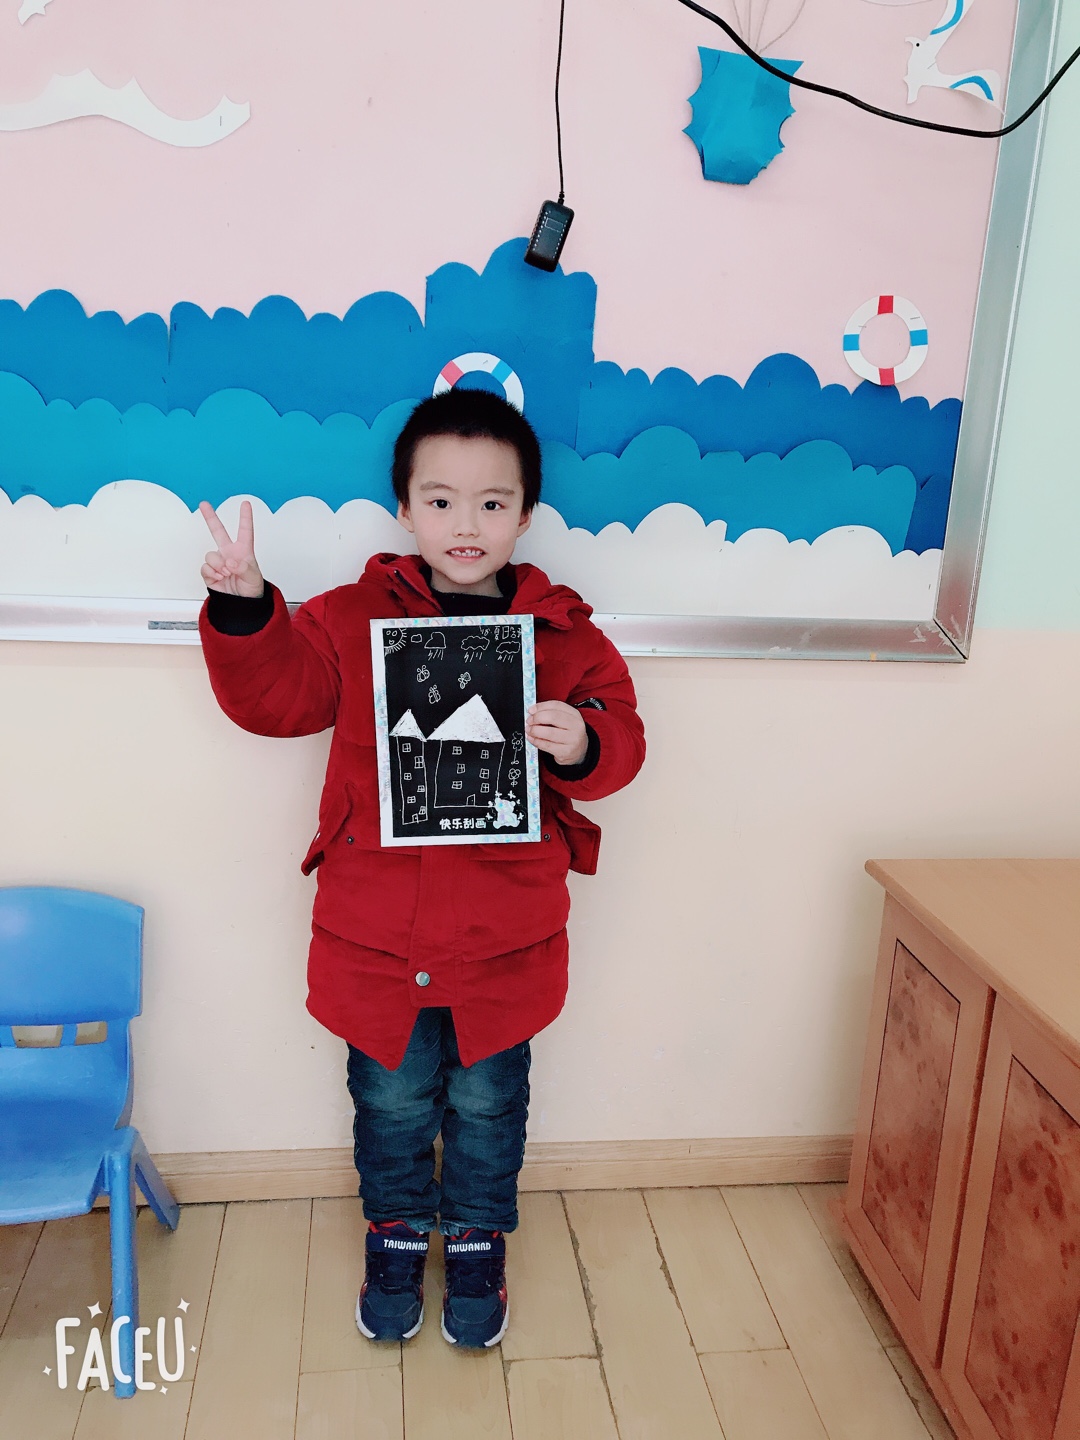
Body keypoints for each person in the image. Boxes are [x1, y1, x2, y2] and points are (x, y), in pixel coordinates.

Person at [197, 388, 645, 1349]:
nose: (466, 524)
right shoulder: (348, 616)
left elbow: (623, 736)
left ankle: (478, 1240)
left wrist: (583, 740)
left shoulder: (565, 634)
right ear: (404, 509)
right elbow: (278, 699)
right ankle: (395, 1231)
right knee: (390, 1102)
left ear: (526, 513)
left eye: (493, 502)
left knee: (489, 1106)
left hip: (506, 939)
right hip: (376, 936)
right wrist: (242, 609)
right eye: (441, 501)